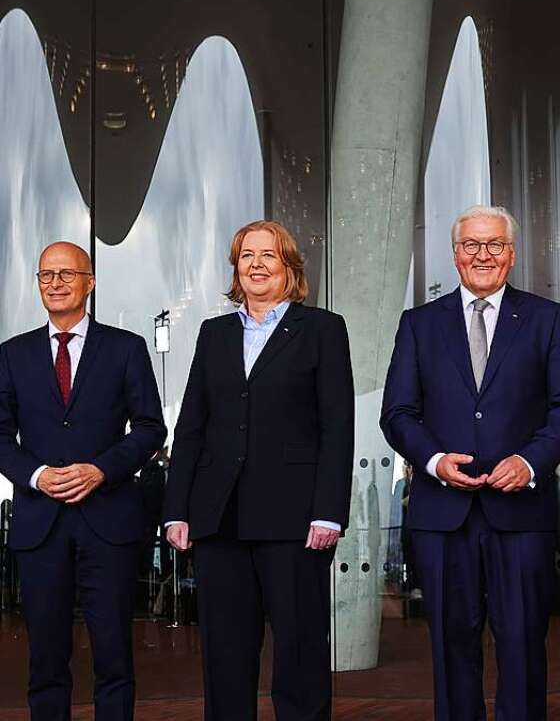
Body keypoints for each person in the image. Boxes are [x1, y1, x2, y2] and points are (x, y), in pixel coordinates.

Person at [380, 205, 560, 720]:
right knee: (451, 649)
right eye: (471, 245)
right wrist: (432, 460)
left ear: (511, 255)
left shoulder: (547, 318)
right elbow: (397, 412)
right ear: (455, 255)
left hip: (520, 512)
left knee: (521, 646)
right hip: (442, 515)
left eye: (494, 245)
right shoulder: (419, 324)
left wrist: (530, 461)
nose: (483, 255)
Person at [163, 220, 354, 721]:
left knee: (300, 653)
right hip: (219, 519)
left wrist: (329, 512)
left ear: (289, 267)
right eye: (247, 255)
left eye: (268, 255)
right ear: (236, 268)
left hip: (295, 521)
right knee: (225, 657)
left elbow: (338, 427)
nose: (256, 264)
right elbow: (191, 428)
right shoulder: (214, 333)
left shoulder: (322, 330)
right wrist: (176, 509)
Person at [0, 241, 167, 719]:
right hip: (40, 524)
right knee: (46, 660)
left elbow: (151, 427)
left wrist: (102, 469)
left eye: (66, 274)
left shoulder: (126, 348)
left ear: (89, 283)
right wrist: (34, 475)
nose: (55, 283)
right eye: (46, 275)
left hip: (108, 521)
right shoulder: (12, 355)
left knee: (114, 657)